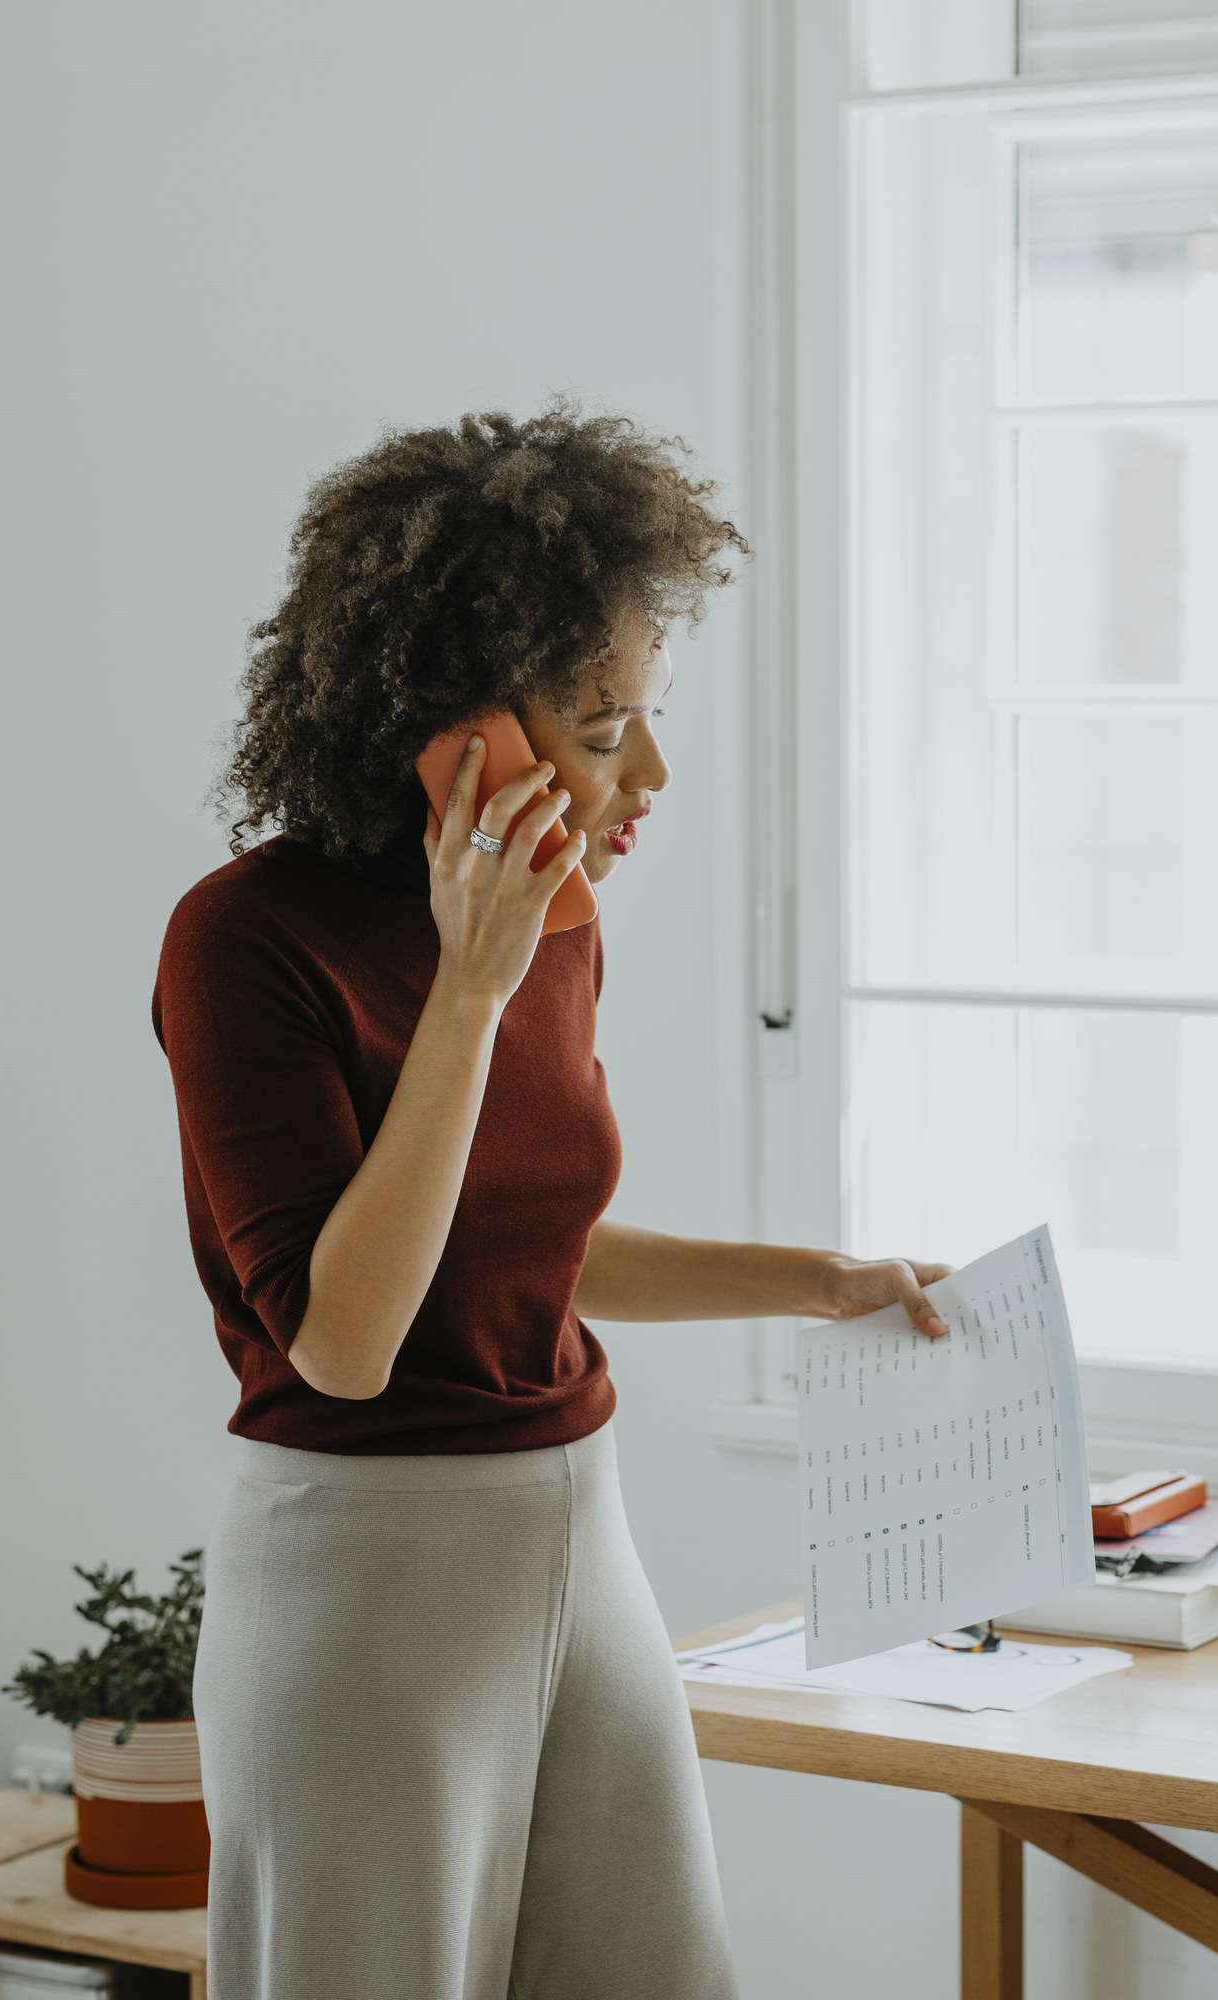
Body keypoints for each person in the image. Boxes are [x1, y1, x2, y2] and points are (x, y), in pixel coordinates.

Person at [153, 406, 945, 1999]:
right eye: (599, 727)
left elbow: (526, 1246)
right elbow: (352, 1337)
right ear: (460, 743)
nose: (647, 771)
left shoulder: (559, 932)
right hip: (370, 1578)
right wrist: (468, 992)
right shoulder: (247, 942)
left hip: (580, 1535)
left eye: (645, 714)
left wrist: (818, 1279)